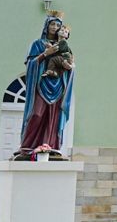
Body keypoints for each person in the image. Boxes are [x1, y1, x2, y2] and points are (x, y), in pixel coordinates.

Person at [16, 14, 74, 158]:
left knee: (53, 117)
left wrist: (71, 67)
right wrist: (45, 54)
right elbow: (31, 64)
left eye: (57, 25)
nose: (55, 28)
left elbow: (70, 62)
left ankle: (50, 147)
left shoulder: (63, 45)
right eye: (52, 24)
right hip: (41, 85)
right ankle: (27, 147)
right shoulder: (37, 44)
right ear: (47, 26)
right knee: (37, 113)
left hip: (58, 85)